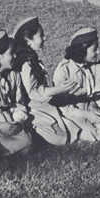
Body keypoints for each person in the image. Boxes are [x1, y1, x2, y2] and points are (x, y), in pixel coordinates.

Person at [12, 17, 81, 145]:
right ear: (28, 41)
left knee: (70, 125)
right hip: (32, 106)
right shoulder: (26, 64)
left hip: (42, 102)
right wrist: (58, 89)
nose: (45, 38)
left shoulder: (32, 59)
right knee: (60, 135)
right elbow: (33, 93)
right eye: (41, 36)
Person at [52, 28, 100, 141]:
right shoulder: (64, 70)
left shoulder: (89, 66)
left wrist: (93, 107)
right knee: (91, 133)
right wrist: (86, 114)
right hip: (71, 111)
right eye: (94, 49)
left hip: (87, 105)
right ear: (82, 50)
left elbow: (91, 93)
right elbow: (62, 105)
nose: (98, 52)